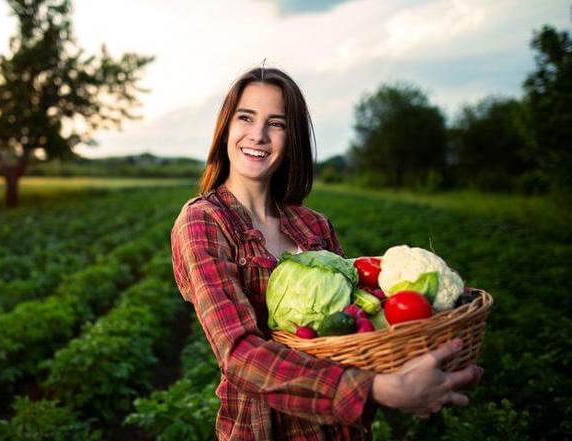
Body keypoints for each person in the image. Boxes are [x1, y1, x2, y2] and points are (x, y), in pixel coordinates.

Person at [170, 66, 483, 440]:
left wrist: (413, 368)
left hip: (342, 430)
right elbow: (239, 354)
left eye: (277, 123)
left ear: (293, 137)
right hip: (263, 429)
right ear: (226, 127)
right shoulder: (204, 221)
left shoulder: (313, 225)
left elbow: (354, 328)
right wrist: (379, 390)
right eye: (246, 117)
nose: (258, 135)